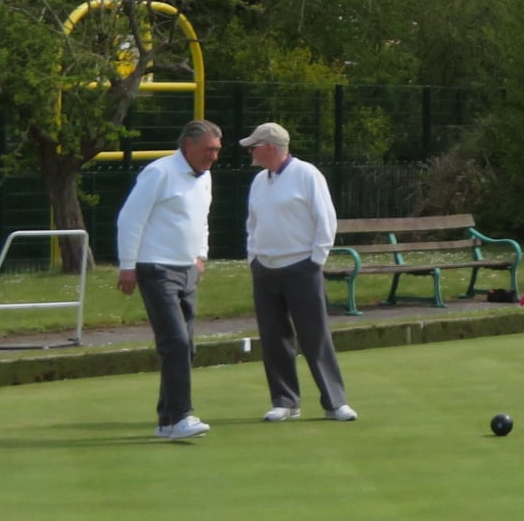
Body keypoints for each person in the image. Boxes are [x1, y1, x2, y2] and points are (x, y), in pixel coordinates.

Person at [116, 119, 224, 440]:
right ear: (187, 146)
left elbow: (202, 219)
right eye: (208, 150)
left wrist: (201, 257)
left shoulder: (205, 178)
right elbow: (130, 218)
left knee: (186, 346)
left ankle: (166, 422)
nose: (213, 157)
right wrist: (127, 266)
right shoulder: (159, 173)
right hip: (155, 268)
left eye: (217, 150)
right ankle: (180, 417)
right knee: (175, 341)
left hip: (187, 270)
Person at [241, 122, 356, 422]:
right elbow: (252, 224)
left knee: (314, 335)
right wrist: (253, 257)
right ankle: (285, 401)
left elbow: (325, 219)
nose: (251, 151)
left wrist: (315, 260)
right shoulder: (258, 181)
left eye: (255, 146)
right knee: (273, 338)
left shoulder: (306, 174)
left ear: (270, 147)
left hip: (302, 267)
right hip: (265, 268)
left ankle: (335, 402)